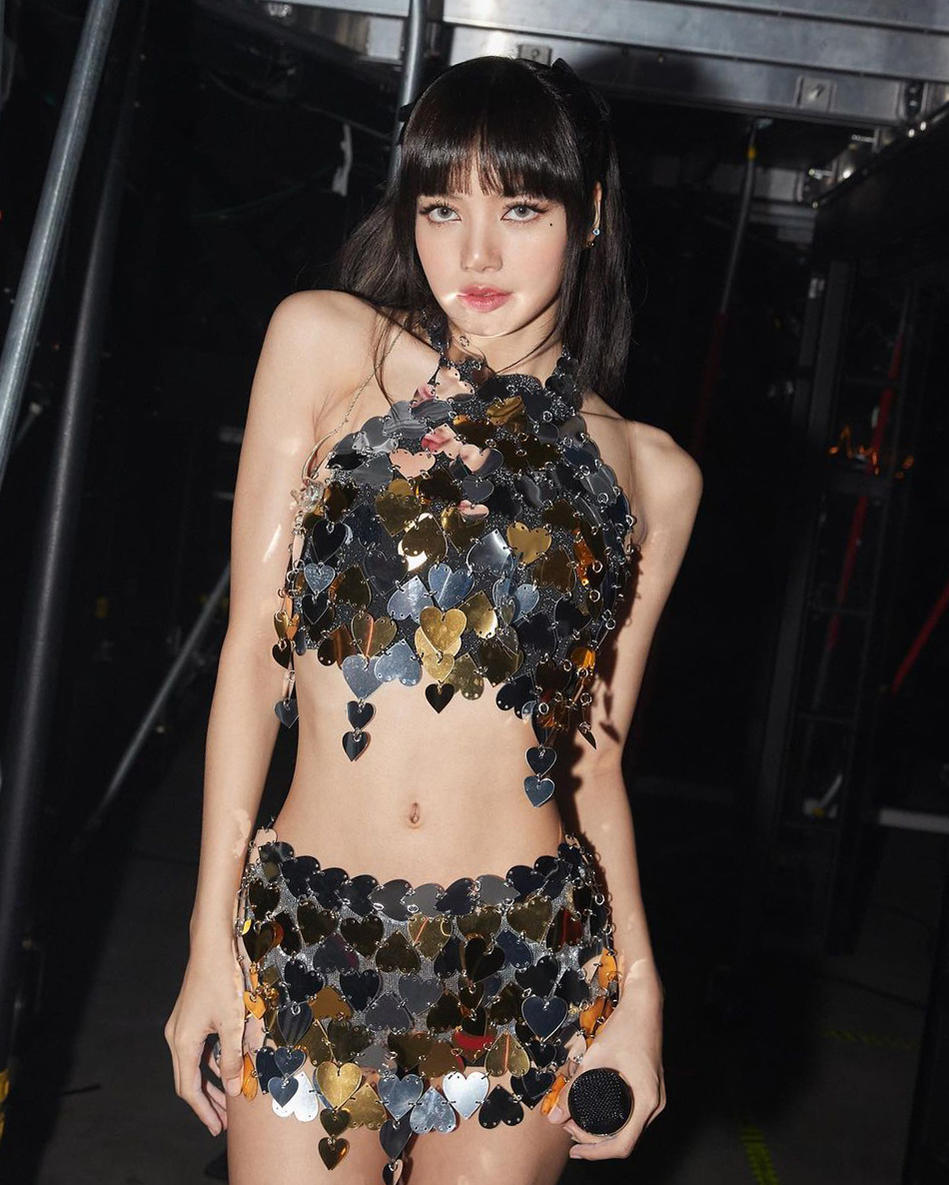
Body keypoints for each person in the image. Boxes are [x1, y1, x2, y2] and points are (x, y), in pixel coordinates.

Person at [164, 53, 701, 1185]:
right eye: (443, 208)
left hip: (527, 958)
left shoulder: (651, 473)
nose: (477, 254)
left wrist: (639, 995)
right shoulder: (326, 346)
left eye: (521, 209)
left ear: (590, 213)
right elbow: (253, 658)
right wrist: (209, 937)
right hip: (310, 934)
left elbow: (595, 755)